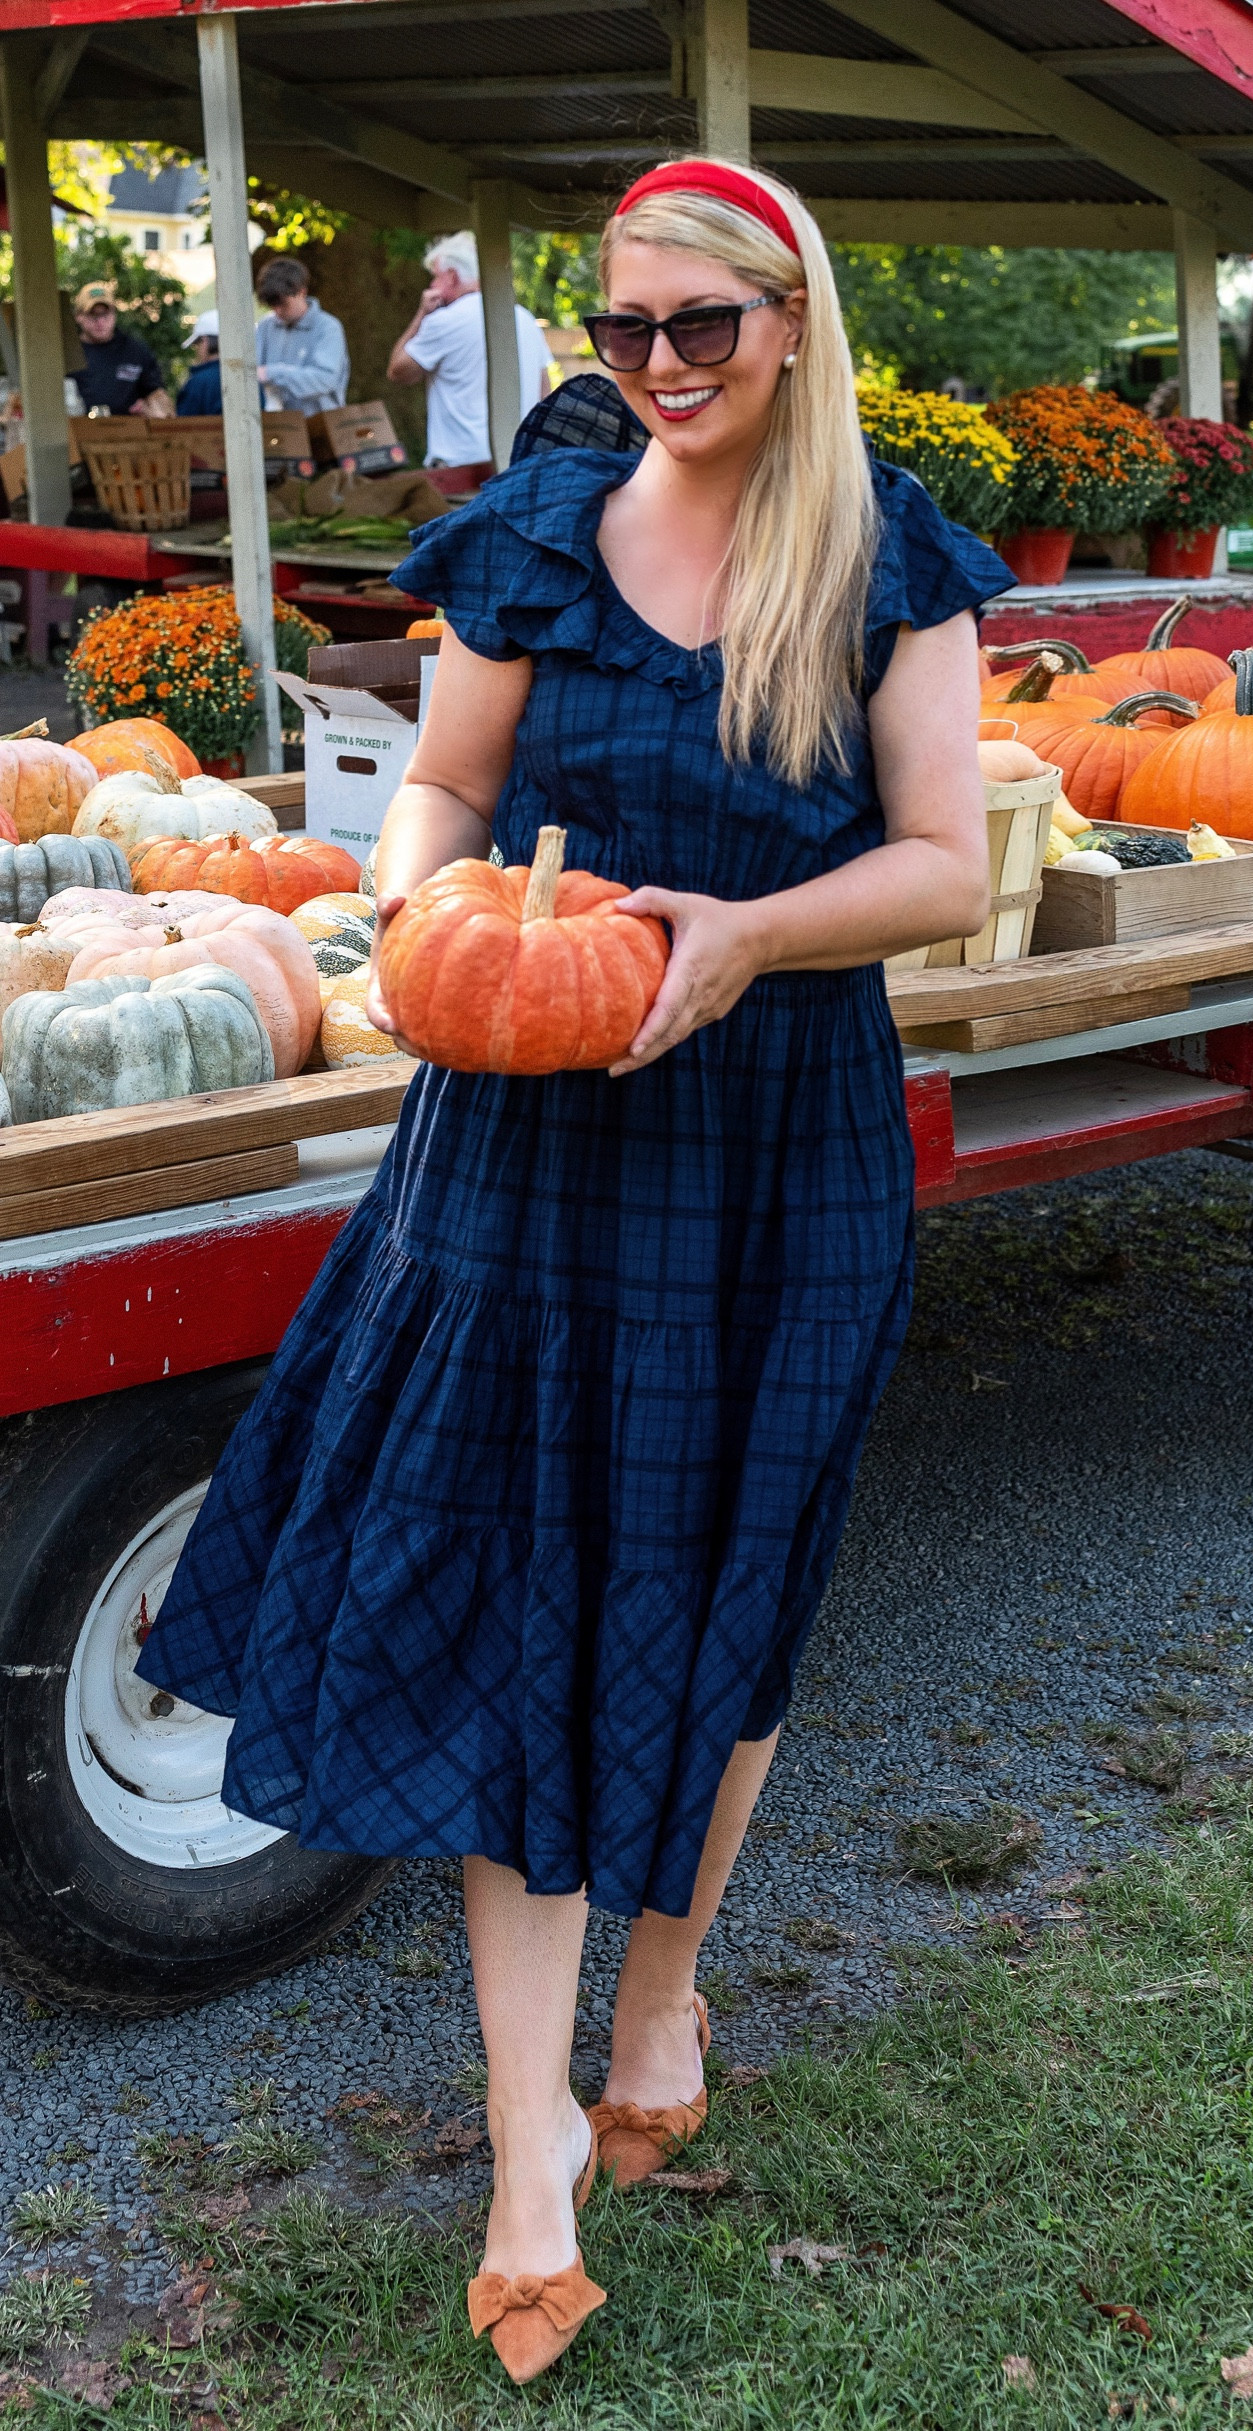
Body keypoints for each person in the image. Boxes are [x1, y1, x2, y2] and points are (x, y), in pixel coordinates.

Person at [137, 160, 1009, 2385]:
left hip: (779, 1142)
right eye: (616, 334)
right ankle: (527, 2149)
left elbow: (936, 862)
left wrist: (747, 934)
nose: (652, 372)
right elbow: (438, 789)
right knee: (526, 1597)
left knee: (728, 1586)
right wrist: (416, 917)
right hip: (524, 1140)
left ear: (789, 321)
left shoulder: (891, 558)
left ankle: (661, 1996)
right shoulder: (532, 538)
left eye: (695, 332)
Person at [386, 229, 553, 468]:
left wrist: (421, 314)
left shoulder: (444, 321)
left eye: (435, 277)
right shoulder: (525, 319)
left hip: (462, 467)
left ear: (452, 277)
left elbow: (397, 371)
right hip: (519, 460)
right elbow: (545, 394)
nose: (431, 285)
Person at [254, 256, 349, 418]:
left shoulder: (327, 328)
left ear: (302, 292)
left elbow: (324, 380)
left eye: (283, 304)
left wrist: (273, 373)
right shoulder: (265, 326)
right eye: (272, 305)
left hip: (320, 426)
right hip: (278, 425)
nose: (277, 311)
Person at [71, 282, 171, 417]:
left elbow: (156, 393)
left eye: (105, 314)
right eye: (93, 315)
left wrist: (154, 410)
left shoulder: (135, 351)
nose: (100, 322)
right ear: (79, 316)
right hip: (78, 430)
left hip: (128, 431)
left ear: (114, 314)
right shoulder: (68, 353)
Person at [176, 311, 222, 417]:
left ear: (205, 342)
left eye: (197, 344)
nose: (196, 351)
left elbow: (183, 424)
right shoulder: (251, 377)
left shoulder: (198, 382)